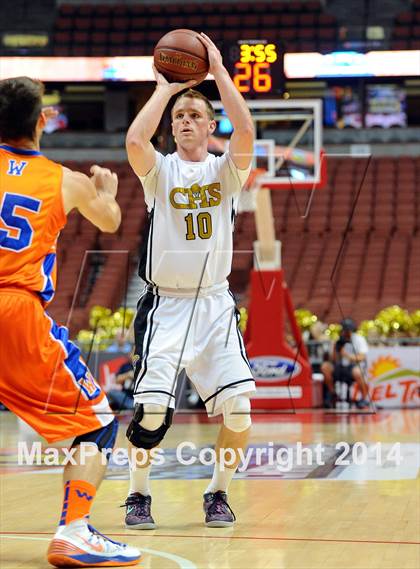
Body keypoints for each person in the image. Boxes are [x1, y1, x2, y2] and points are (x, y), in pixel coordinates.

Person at [0, 77, 141, 567]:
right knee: (98, 422)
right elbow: (111, 222)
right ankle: (74, 531)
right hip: (15, 312)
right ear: (42, 120)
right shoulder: (65, 179)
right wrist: (108, 189)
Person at [124, 32, 256, 529]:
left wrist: (218, 72)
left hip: (215, 305)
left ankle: (217, 492)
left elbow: (246, 132)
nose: (184, 121)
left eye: (194, 115)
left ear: (209, 124)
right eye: (179, 116)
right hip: (166, 306)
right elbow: (135, 141)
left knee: (239, 412)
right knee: (153, 413)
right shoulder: (160, 171)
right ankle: (138, 495)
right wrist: (165, 87)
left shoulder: (227, 173)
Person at [321, 318, 370, 409]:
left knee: (358, 372)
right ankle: (333, 394)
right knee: (325, 367)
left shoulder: (359, 339)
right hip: (339, 367)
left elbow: (361, 357)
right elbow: (333, 360)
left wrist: (346, 354)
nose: (346, 333)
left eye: (348, 330)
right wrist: (335, 348)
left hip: (353, 367)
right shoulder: (338, 340)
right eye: (345, 330)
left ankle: (364, 399)